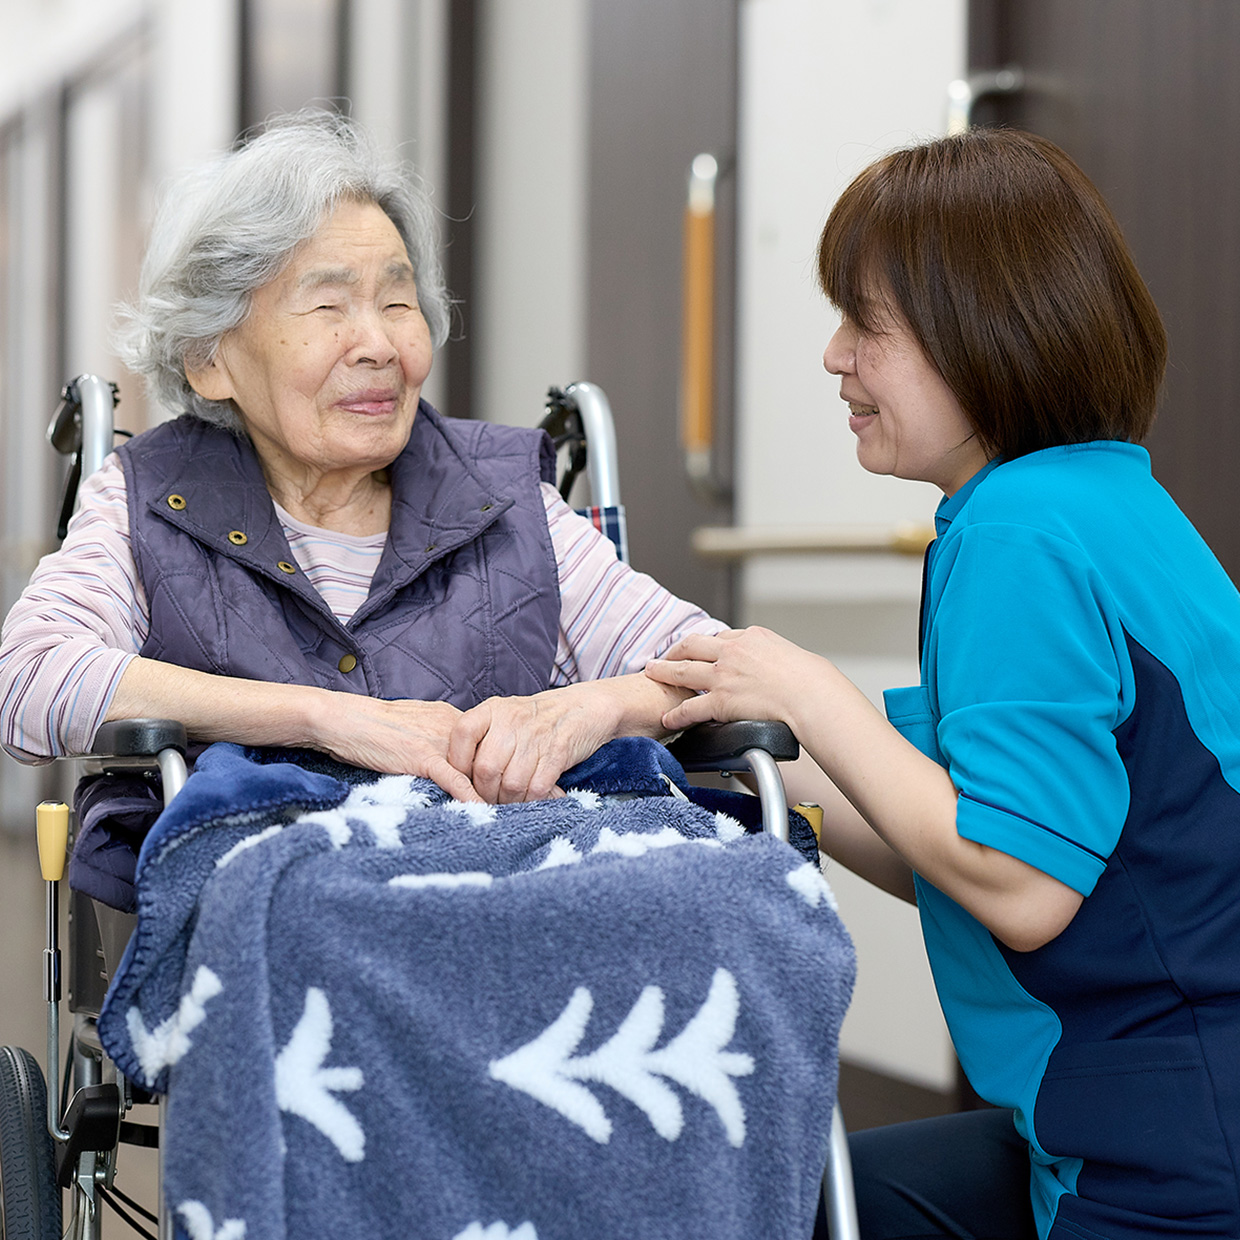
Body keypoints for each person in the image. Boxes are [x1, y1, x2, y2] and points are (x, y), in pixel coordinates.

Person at [646, 128, 1240, 1239]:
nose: (834, 358)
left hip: (1174, 1150)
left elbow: (1018, 883)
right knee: (813, 1201)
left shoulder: (1021, 534)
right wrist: (764, 789)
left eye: (865, 323)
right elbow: (966, 855)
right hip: (1147, 1101)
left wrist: (806, 686)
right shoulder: (1095, 500)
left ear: (987, 327)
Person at [0, 109, 718, 813]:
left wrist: (587, 708)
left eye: (398, 302)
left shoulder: (501, 498)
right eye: (329, 308)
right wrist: (324, 719)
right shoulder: (150, 499)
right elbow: (29, 679)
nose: (378, 344)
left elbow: (714, 668)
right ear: (208, 360)